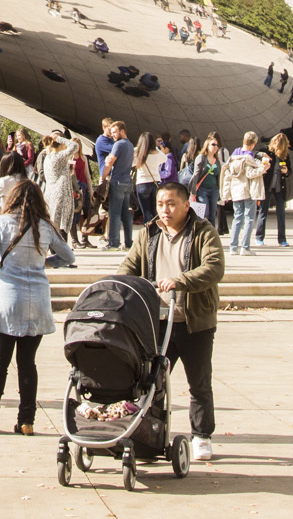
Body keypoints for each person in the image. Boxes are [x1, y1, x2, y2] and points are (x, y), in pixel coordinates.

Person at [118, 182, 225, 462]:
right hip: (157, 321)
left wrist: (181, 282)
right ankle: (149, 434)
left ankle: (201, 435)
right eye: (161, 204)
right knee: (151, 382)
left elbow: (214, 268)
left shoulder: (203, 232)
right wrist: (120, 285)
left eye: (171, 204)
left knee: (199, 382)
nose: (165, 210)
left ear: (186, 204)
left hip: (194, 321)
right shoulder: (149, 232)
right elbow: (129, 266)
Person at [0, 178, 74, 434]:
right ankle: (27, 420)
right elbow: (68, 256)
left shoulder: (1, 223)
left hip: (8, 297)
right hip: (38, 300)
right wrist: (47, 263)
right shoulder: (46, 226)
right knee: (28, 362)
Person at [222, 132, 269, 256]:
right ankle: (245, 247)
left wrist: (226, 193)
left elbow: (227, 174)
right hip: (248, 190)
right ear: (253, 144)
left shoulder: (234, 155)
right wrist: (264, 168)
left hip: (236, 190)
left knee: (237, 217)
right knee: (249, 218)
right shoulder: (248, 157)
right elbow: (250, 174)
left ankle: (233, 246)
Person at [101, 121, 136, 250]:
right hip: (127, 182)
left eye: (115, 132)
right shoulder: (130, 145)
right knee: (126, 213)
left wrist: (102, 178)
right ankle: (128, 243)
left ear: (122, 131)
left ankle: (114, 243)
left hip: (117, 181)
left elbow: (109, 163)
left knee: (114, 213)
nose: (113, 135)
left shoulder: (118, 145)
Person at [40, 131, 81, 237]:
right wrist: (59, 138)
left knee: (53, 224)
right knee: (61, 225)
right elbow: (75, 146)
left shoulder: (48, 158)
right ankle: (59, 252)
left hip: (50, 193)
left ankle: (54, 250)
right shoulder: (59, 156)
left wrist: (68, 172)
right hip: (60, 194)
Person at [255, 131, 292, 247]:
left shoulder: (285, 155)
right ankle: (259, 237)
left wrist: (286, 171)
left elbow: (290, 171)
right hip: (266, 186)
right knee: (263, 212)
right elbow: (254, 153)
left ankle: (282, 239)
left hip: (279, 188)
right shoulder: (266, 151)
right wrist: (262, 157)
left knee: (281, 213)